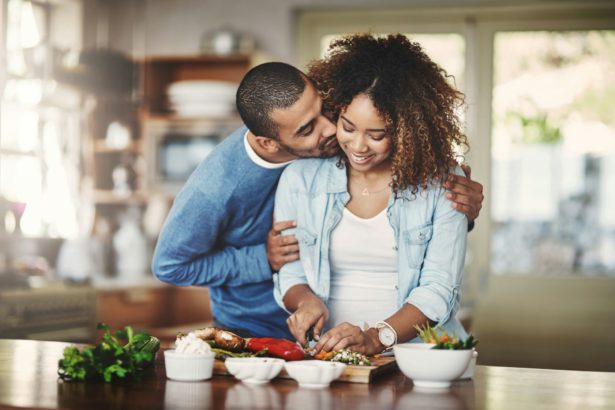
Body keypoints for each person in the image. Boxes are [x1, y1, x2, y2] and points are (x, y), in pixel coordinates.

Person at [152, 60, 483, 339]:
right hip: (255, 327)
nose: (330, 130)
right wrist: (262, 259)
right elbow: (170, 266)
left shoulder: (335, 138)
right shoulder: (217, 186)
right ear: (270, 143)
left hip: (329, 336)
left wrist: (456, 205)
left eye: (325, 108)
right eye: (308, 128)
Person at [274, 33, 471, 355]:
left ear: (408, 130)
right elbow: (291, 267)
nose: (358, 146)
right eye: (348, 127)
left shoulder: (445, 183)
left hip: (422, 358)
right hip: (331, 357)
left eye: (377, 135)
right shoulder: (301, 179)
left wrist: (376, 338)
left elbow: (439, 288)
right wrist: (305, 301)